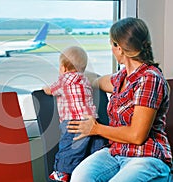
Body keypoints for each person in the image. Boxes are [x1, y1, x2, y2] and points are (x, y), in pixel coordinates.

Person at [68, 17, 172, 181]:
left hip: (145, 156)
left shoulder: (150, 79)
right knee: (79, 177)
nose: (111, 48)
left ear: (119, 48)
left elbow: (137, 135)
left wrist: (95, 128)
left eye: (112, 44)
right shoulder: (122, 77)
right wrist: (69, 77)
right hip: (116, 151)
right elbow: (97, 81)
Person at [43, 46, 106, 182]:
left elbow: (51, 91)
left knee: (69, 148)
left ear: (64, 68)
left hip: (73, 122)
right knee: (94, 147)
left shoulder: (64, 80)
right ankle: (95, 168)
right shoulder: (85, 80)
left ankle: (61, 172)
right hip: (92, 120)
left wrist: (45, 88)